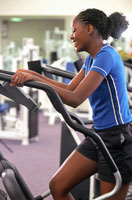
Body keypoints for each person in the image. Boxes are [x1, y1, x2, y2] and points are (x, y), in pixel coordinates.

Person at [10, 8, 132, 200]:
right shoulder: (92, 59)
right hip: (98, 134)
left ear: (90, 28)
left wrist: (36, 80)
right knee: (58, 186)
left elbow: (75, 99)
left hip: (117, 139)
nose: (71, 36)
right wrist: (33, 76)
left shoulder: (106, 56)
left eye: (75, 30)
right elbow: (69, 89)